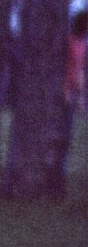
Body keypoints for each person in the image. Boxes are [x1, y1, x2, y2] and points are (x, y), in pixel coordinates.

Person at [54, 10, 87, 192]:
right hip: (62, 93)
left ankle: (61, 170)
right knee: (59, 132)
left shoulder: (82, 44)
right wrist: (64, 91)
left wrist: (81, 96)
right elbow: (63, 68)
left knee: (67, 134)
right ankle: (55, 170)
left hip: (72, 93)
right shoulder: (68, 41)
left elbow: (80, 70)